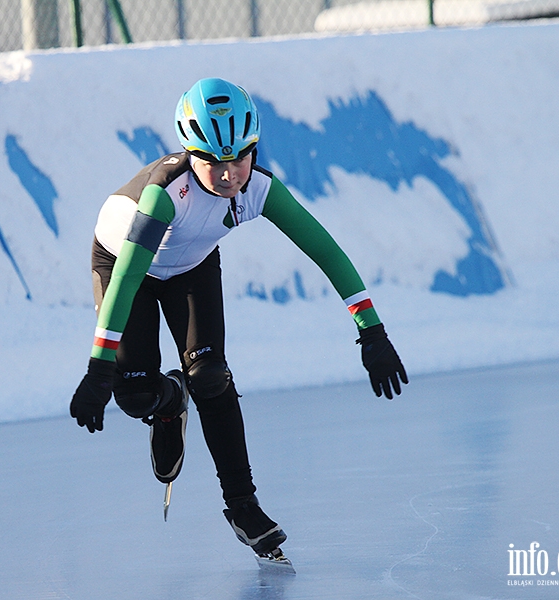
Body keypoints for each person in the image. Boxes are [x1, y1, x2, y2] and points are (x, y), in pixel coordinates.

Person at [69, 77, 407, 560]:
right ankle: (167, 403)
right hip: (126, 264)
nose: (230, 174)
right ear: (191, 154)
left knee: (210, 377)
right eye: (214, 161)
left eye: (241, 157)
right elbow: (124, 280)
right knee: (134, 395)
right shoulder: (164, 197)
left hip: (192, 264)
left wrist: (371, 329)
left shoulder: (260, 189)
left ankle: (243, 506)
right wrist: (100, 366)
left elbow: (325, 250)